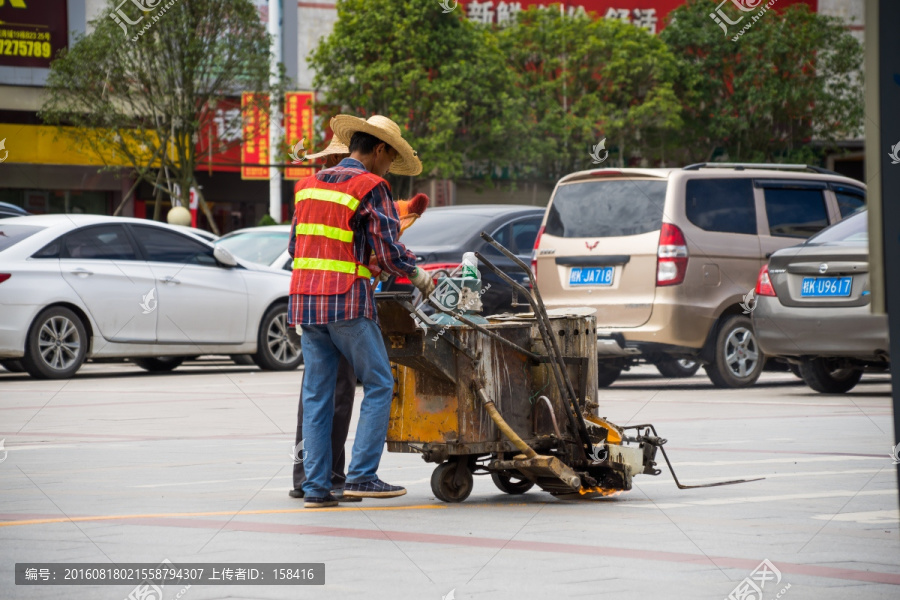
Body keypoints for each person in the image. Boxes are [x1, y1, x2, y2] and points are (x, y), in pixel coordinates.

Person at [289, 114, 435, 508]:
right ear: (380, 149)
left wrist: (355, 258)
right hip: (347, 303)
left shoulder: (306, 187)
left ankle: (318, 488)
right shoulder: (372, 186)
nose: (390, 168)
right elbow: (388, 253)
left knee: (316, 396)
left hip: (305, 302)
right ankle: (362, 476)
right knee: (380, 383)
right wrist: (418, 274)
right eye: (390, 159)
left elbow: (294, 249)